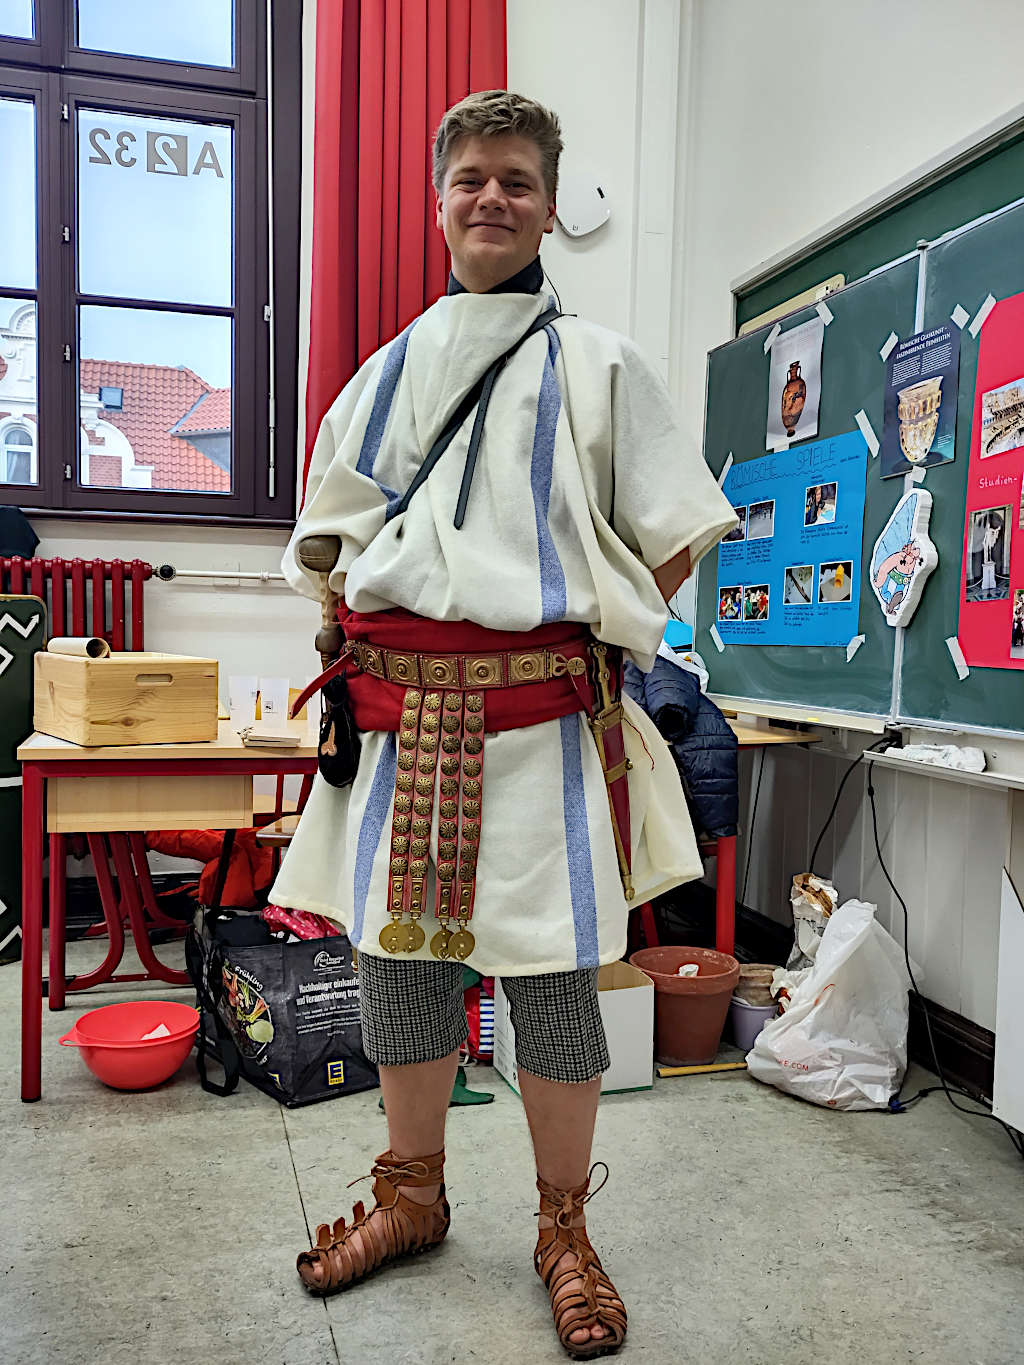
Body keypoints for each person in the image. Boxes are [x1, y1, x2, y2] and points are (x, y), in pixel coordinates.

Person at [272, 90, 736, 1359]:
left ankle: (562, 1230)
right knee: (402, 976)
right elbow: (324, 544)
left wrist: (598, 629)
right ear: (439, 202)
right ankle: (412, 1197)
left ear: (546, 205)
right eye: (471, 177)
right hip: (397, 731)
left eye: (516, 179)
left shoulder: (601, 366)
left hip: (542, 736)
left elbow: (678, 529)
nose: (492, 197)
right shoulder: (384, 372)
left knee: (555, 992)